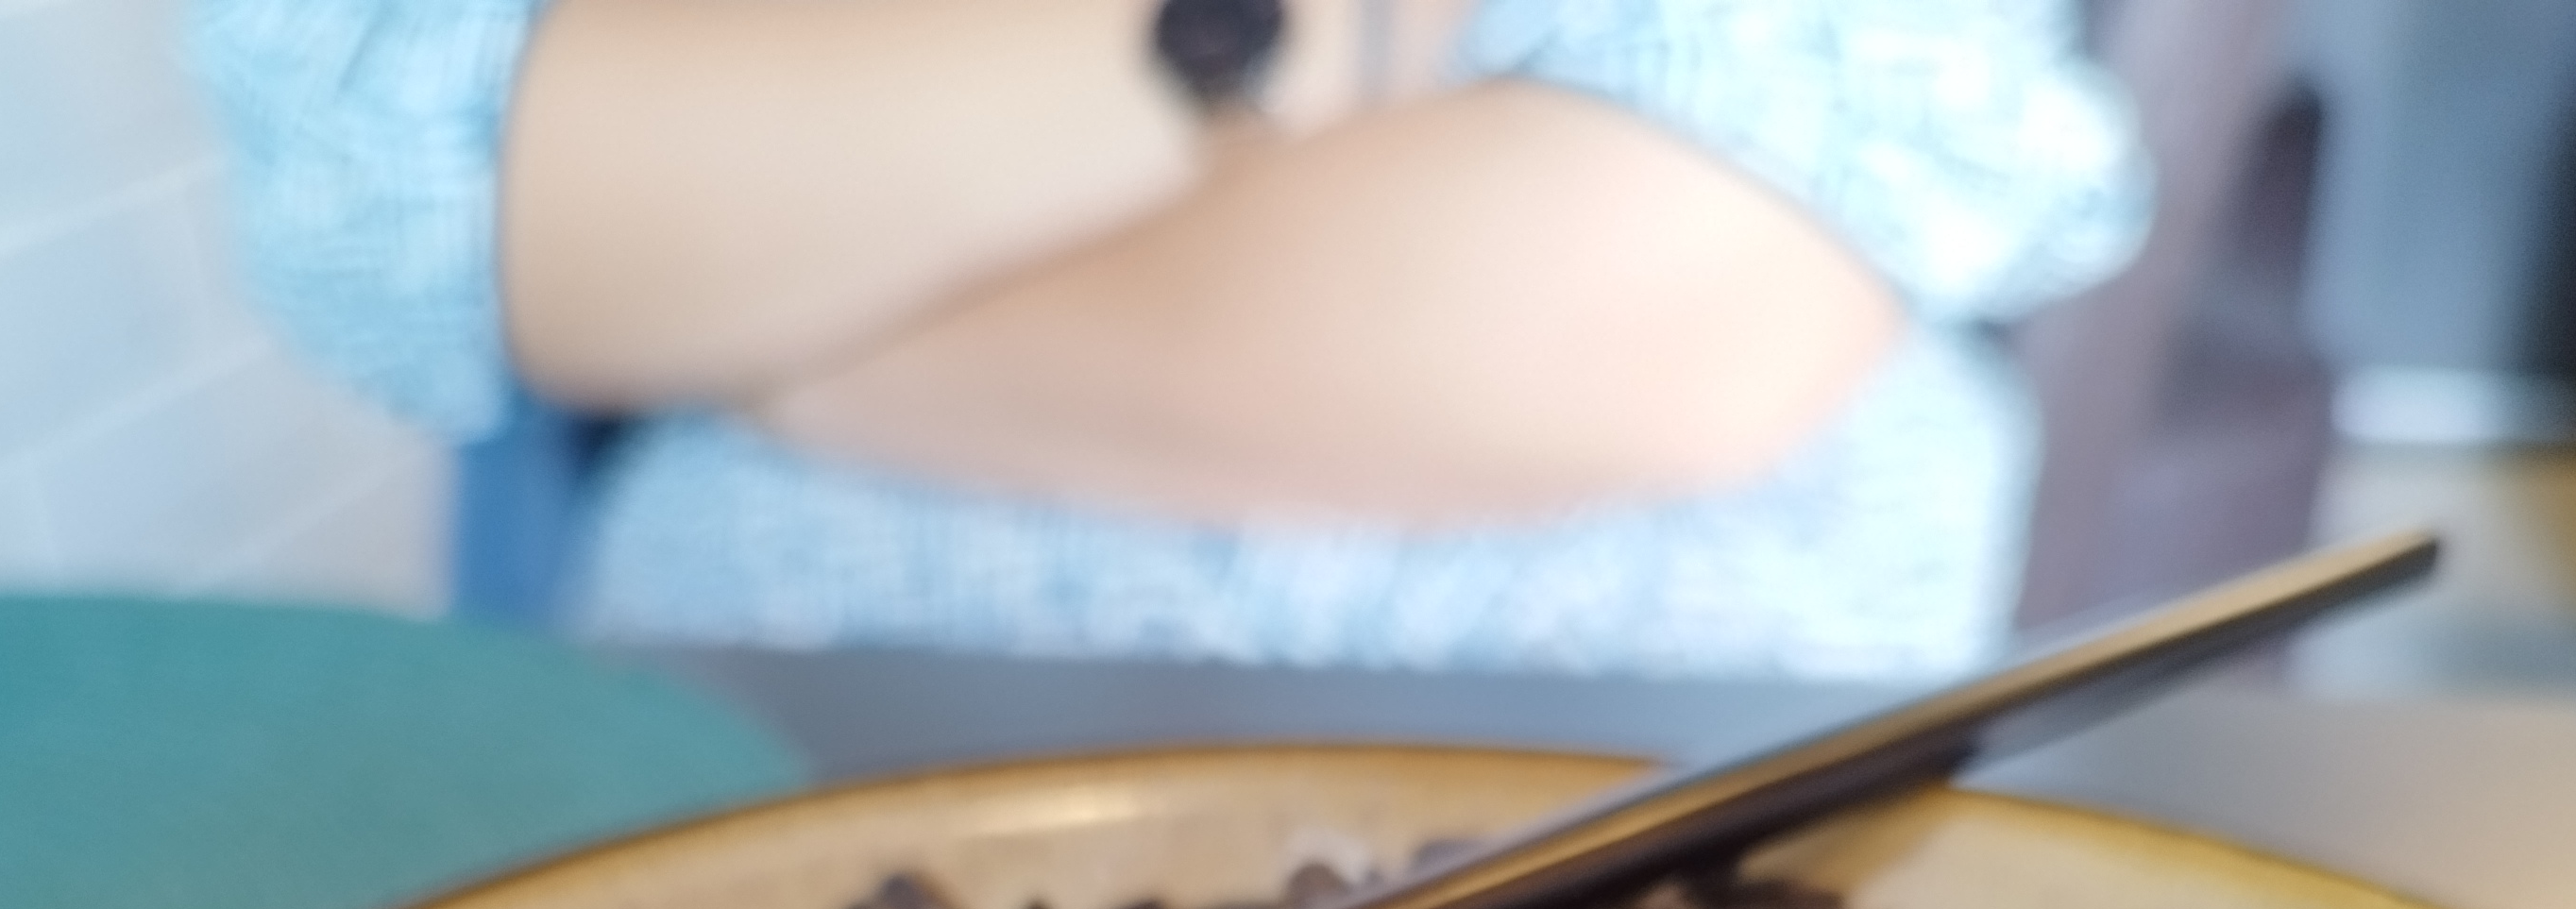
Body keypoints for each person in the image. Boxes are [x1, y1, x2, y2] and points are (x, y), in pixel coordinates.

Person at [190, 0, 2149, 678]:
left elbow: (1683, 285)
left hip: (1691, 803)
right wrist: (1289, 44)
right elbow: (438, 208)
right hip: (783, 797)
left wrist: (762, 318)